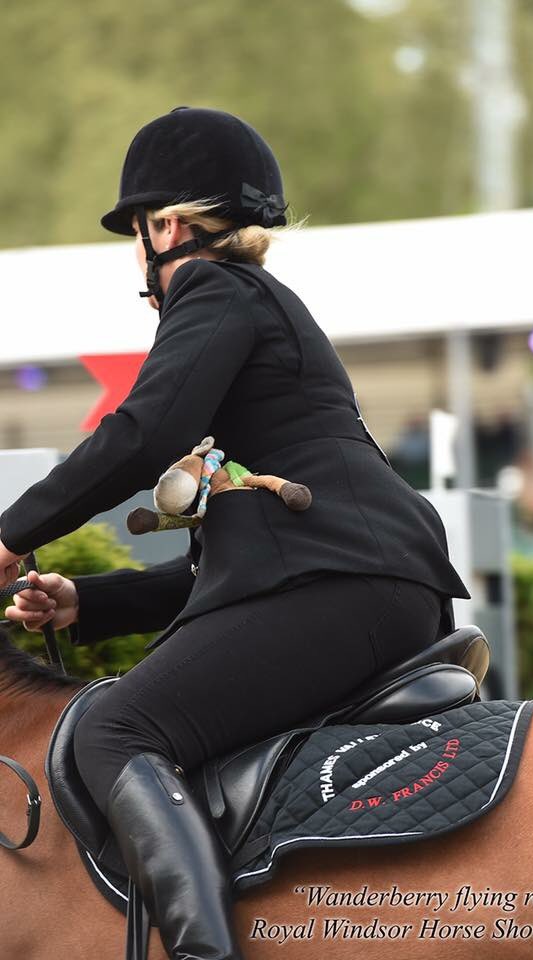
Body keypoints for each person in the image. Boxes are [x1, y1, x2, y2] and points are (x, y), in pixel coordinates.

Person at [0, 107, 470, 960]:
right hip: (360, 581)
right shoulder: (260, 311)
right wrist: (85, 605)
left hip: (341, 585)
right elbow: (231, 563)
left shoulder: (212, 289)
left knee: (114, 731)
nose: (136, 258)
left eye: (135, 236)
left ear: (166, 226)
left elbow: (139, 431)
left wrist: (9, 534)